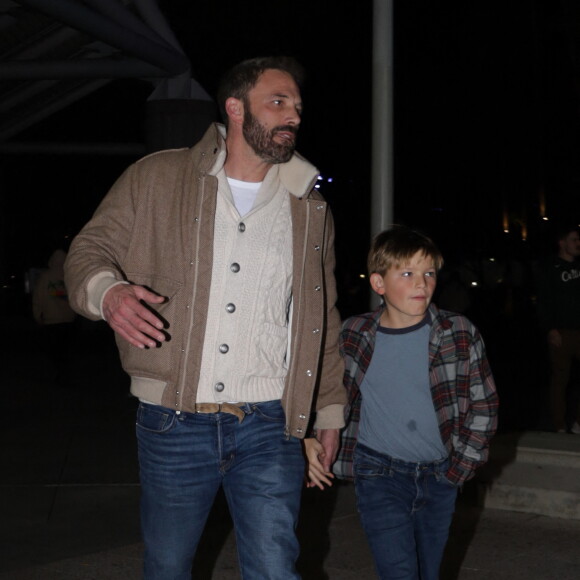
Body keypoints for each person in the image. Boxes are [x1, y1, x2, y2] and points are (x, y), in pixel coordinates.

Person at [64, 56, 346, 580]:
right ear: (235, 108)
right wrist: (108, 294)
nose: (294, 117)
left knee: (275, 570)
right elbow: (88, 250)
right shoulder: (157, 176)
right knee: (168, 568)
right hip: (173, 420)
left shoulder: (308, 207)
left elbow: (318, 317)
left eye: (298, 107)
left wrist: (327, 411)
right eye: (278, 103)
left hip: (270, 423)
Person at [307, 226, 499, 580]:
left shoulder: (458, 332)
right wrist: (308, 437)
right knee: (398, 571)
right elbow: (320, 390)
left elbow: (484, 406)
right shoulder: (353, 334)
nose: (421, 284)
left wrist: (460, 469)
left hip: (439, 474)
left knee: (428, 571)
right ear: (379, 284)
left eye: (428, 274)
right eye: (407, 274)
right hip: (378, 473)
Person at [535, 224, 580, 434]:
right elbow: (543, 301)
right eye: (574, 240)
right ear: (562, 243)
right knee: (560, 380)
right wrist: (550, 329)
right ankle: (559, 425)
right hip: (562, 333)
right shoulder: (550, 268)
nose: (578, 244)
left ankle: (578, 422)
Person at [32, 248, 76, 383]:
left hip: (51, 321)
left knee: (54, 349)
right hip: (69, 320)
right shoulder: (70, 276)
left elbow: (37, 298)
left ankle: (61, 374)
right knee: (65, 349)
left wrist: (37, 315)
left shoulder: (45, 277)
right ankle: (64, 374)